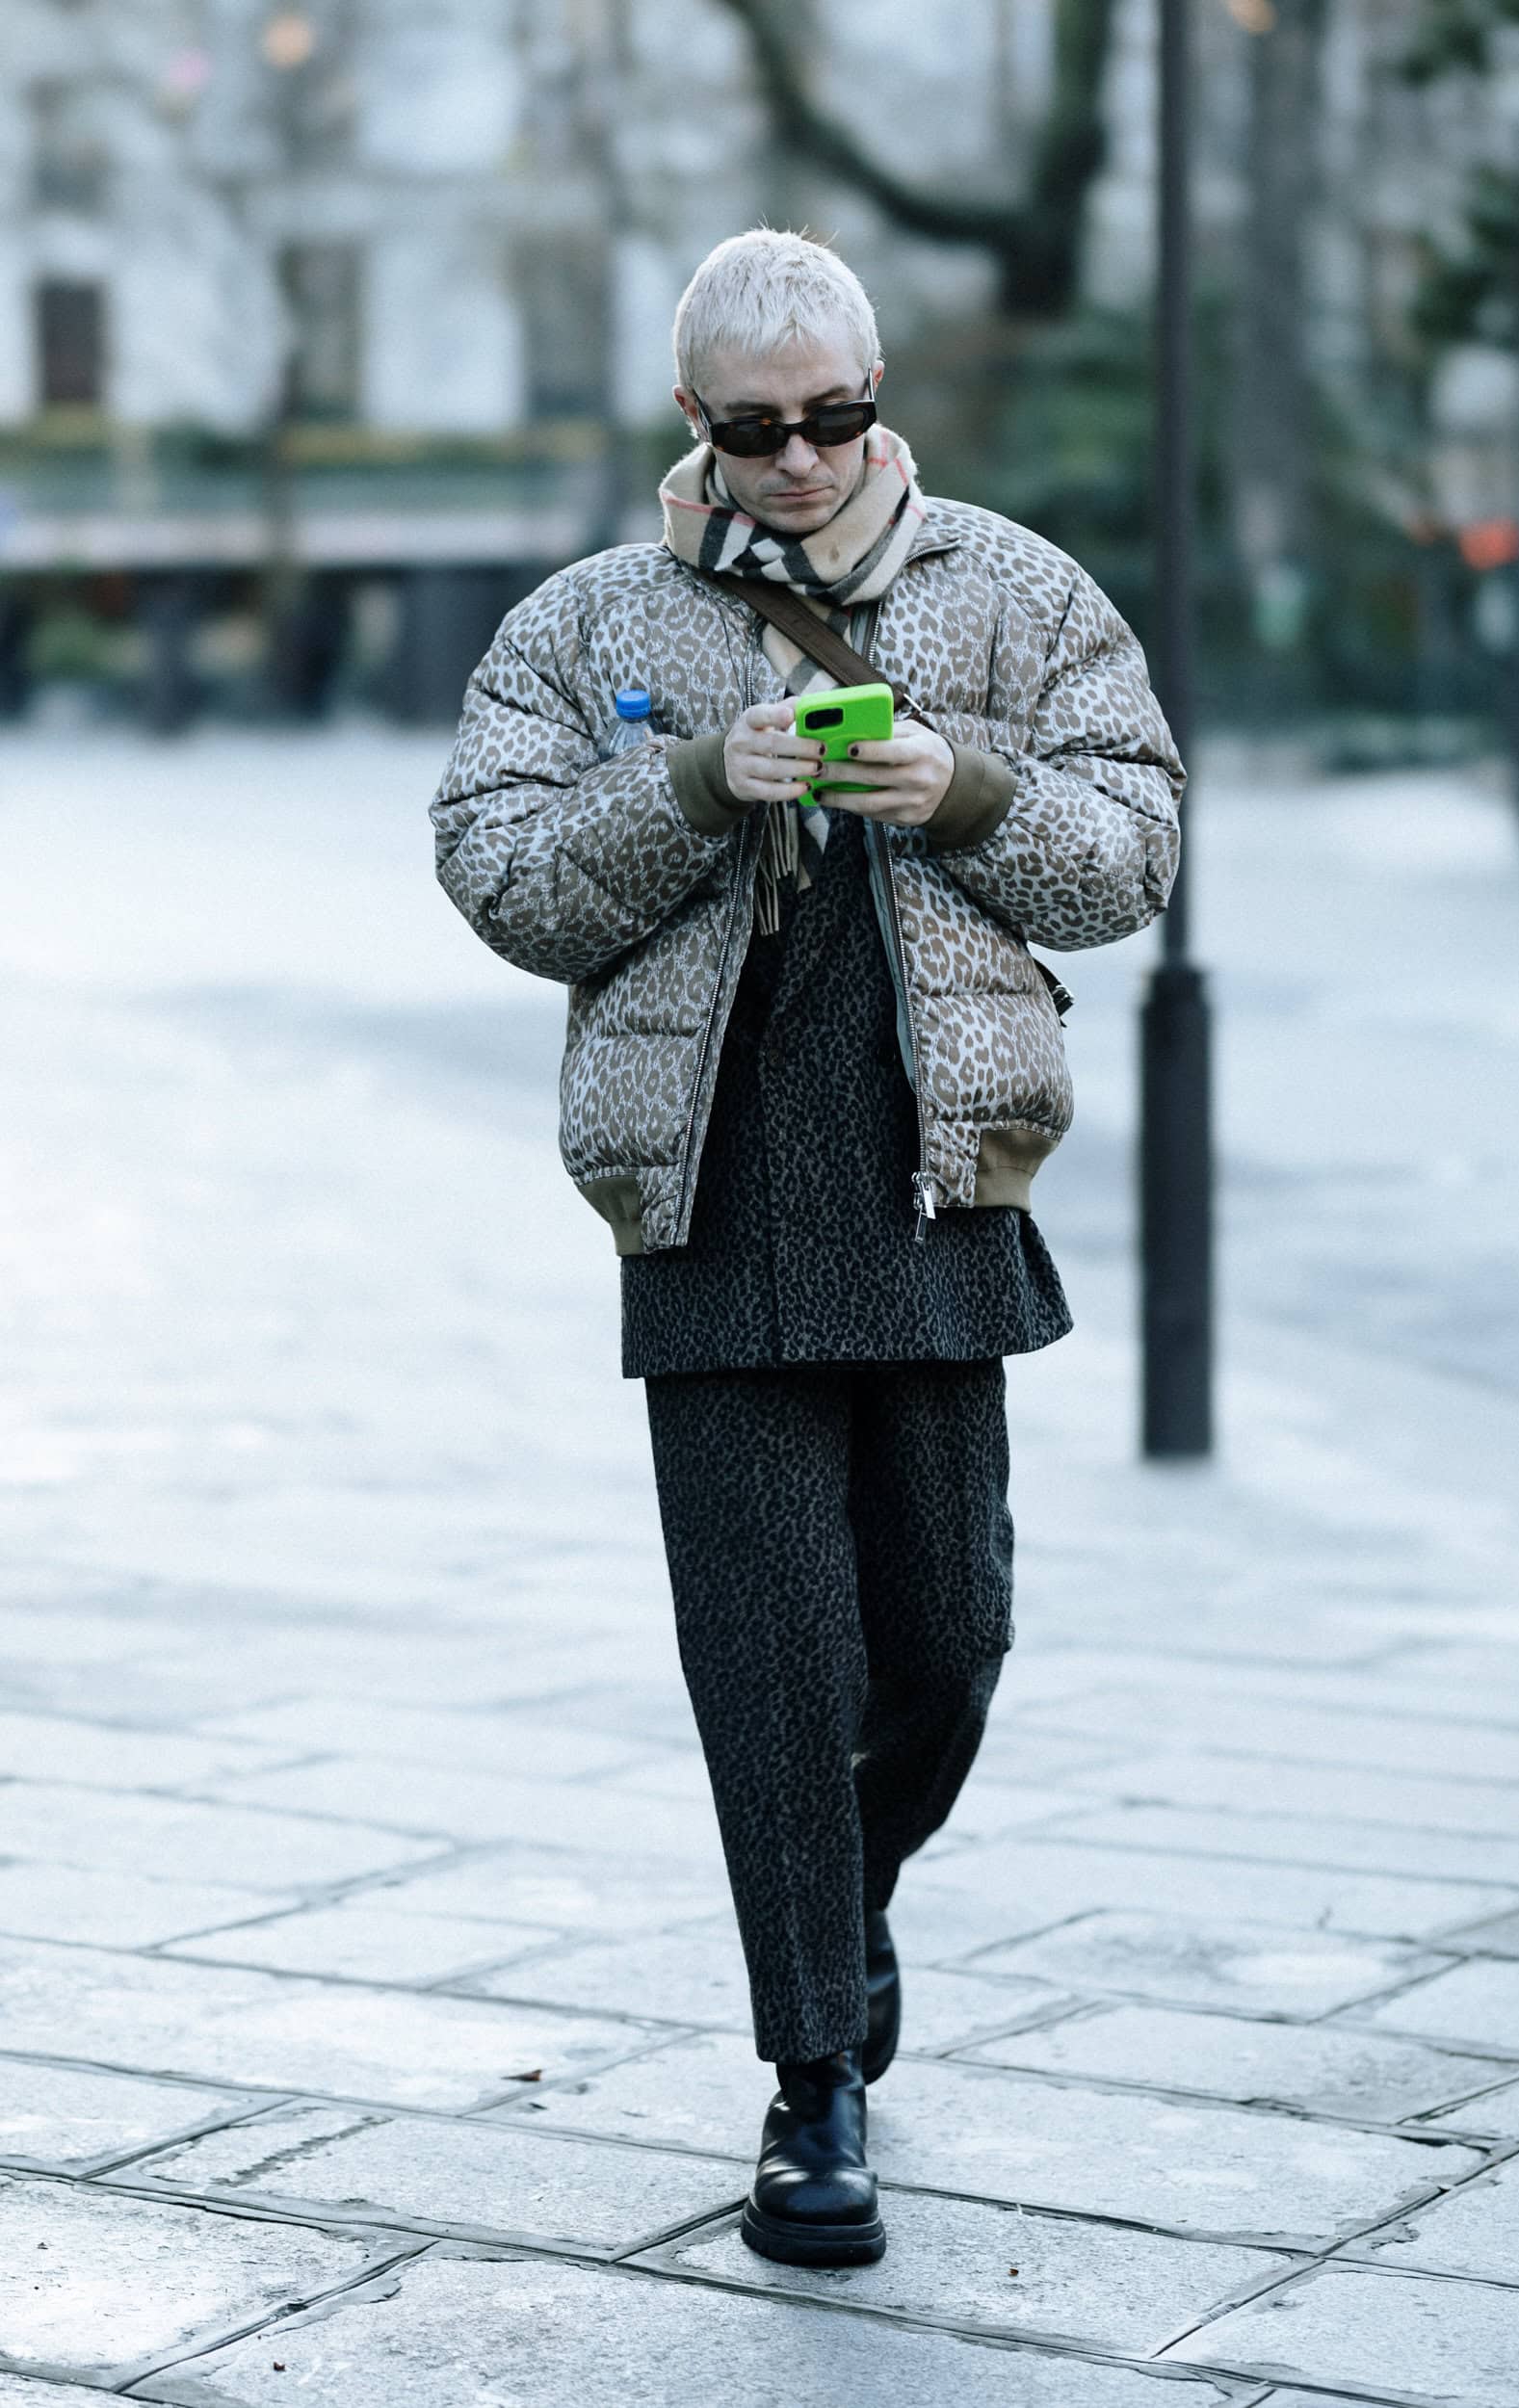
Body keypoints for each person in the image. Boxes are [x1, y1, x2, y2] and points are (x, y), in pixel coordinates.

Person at [430, 228, 1185, 2268]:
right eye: (755, 426)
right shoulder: (588, 621)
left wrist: (963, 787)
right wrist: (691, 785)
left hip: (936, 1186)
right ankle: (813, 2076)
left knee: (948, 1646)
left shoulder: (1015, 591)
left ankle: (842, 1911)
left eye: (832, 416)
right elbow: (496, 872)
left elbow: (1135, 850)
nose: (797, 457)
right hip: (709, 1200)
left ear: (877, 393)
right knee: (770, 1668)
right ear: (694, 416)